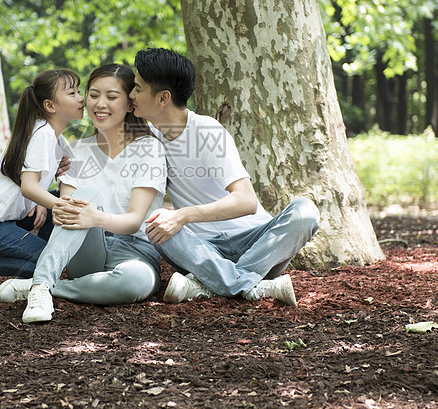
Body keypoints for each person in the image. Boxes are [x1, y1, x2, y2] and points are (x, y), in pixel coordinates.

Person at [128, 47, 320, 304]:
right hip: (202, 250)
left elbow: (246, 201)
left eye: (138, 88)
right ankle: (252, 285)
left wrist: (183, 215)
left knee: (305, 211)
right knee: (156, 227)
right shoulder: (149, 140)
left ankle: (213, 284)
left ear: (163, 98)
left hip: (256, 244)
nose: (131, 94)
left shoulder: (207, 131)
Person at [0, 63, 167, 323]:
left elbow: (134, 221)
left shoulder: (149, 148)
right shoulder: (74, 151)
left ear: (130, 104)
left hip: (136, 251)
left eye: (112, 97)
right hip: (86, 251)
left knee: (136, 282)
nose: (100, 104)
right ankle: (41, 289)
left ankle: (43, 287)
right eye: (93, 94)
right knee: (82, 196)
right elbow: (64, 215)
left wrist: (95, 218)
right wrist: (87, 217)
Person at [0, 69, 84, 294]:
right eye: (72, 93)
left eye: (79, 91)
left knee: (57, 207)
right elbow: (28, 187)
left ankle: (41, 251)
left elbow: (37, 183)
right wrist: (58, 205)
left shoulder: (55, 138)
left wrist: (42, 203)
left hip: (2, 220)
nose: (81, 98)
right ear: (50, 106)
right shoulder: (42, 133)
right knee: (47, 263)